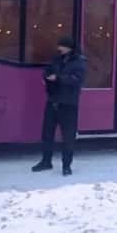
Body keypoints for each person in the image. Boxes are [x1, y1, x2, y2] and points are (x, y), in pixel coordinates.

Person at [32, 36, 86, 176]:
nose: (59, 48)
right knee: (47, 134)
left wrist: (59, 78)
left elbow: (77, 80)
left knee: (67, 137)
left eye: (61, 46)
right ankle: (46, 161)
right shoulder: (57, 59)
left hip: (68, 104)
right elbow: (48, 70)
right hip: (53, 101)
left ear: (69, 47)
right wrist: (47, 77)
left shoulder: (79, 62)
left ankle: (66, 166)